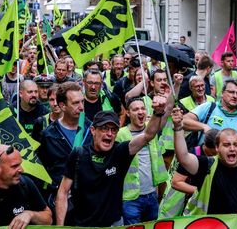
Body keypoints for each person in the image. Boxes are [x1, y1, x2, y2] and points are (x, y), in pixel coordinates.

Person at [55, 92, 172, 227]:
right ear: (93, 130)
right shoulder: (78, 154)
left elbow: (147, 135)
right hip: (84, 225)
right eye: (104, 128)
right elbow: (63, 192)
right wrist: (60, 227)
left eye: (114, 130)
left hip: (114, 224)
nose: (109, 134)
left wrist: (158, 113)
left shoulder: (120, 152)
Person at [171, 107, 237, 216]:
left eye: (236, 145)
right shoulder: (206, 165)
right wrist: (178, 128)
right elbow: (183, 157)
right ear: (217, 148)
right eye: (226, 145)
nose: (232, 149)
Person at [37, 82, 92, 212]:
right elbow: (43, 168)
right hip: (62, 201)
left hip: (88, 198)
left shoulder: (91, 129)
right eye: (75, 103)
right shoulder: (49, 135)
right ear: (62, 106)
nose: (81, 107)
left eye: (82, 102)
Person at [116, 97, 169, 225]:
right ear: (128, 113)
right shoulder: (120, 134)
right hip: (130, 199)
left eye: (143, 108)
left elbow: (167, 110)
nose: (140, 112)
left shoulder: (152, 130)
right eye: (135, 109)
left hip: (152, 195)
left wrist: (176, 86)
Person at [183, 79, 237, 155]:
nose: (235, 96)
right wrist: (204, 127)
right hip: (204, 160)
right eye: (231, 92)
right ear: (222, 93)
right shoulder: (209, 107)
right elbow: (183, 121)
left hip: (227, 164)